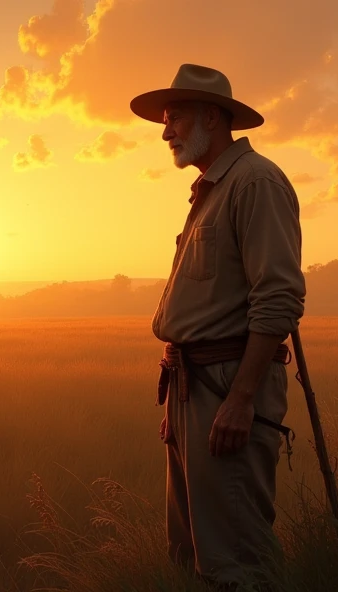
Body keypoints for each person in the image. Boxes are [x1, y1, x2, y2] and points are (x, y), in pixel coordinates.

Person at [129, 64, 306, 589]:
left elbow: (277, 297)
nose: (165, 132)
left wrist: (240, 398)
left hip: (229, 387)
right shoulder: (212, 189)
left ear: (212, 116)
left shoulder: (256, 182)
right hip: (194, 390)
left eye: (174, 117)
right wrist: (182, 409)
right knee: (190, 551)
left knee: (235, 559)